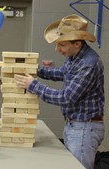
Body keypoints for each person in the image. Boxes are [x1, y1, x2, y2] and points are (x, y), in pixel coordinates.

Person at [14, 14, 104, 169]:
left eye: (61, 45)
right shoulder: (74, 57)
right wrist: (35, 70)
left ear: (77, 43)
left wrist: (33, 85)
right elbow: (61, 73)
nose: (57, 49)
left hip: (85, 129)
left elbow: (66, 98)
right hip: (75, 125)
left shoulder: (88, 63)